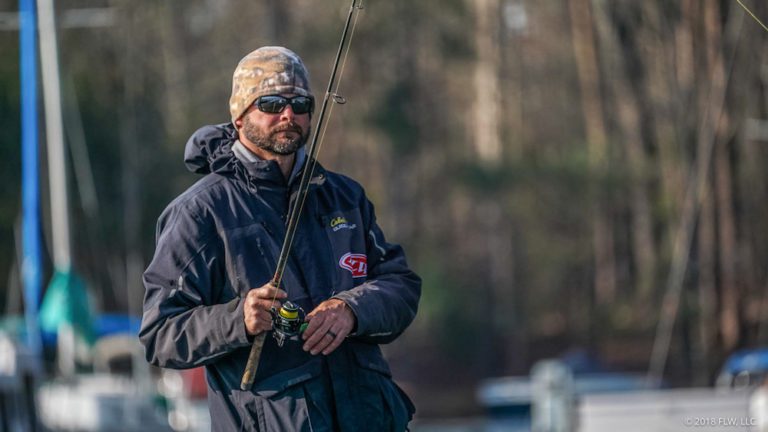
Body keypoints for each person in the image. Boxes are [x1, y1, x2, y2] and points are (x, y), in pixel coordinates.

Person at [139, 46, 421, 431]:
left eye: (300, 103)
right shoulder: (199, 213)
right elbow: (161, 335)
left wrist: (353, 308)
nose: (288, 114)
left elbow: (401, 287)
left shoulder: (346, 196)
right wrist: (238, 318)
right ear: (239, 116)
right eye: (271, 103)